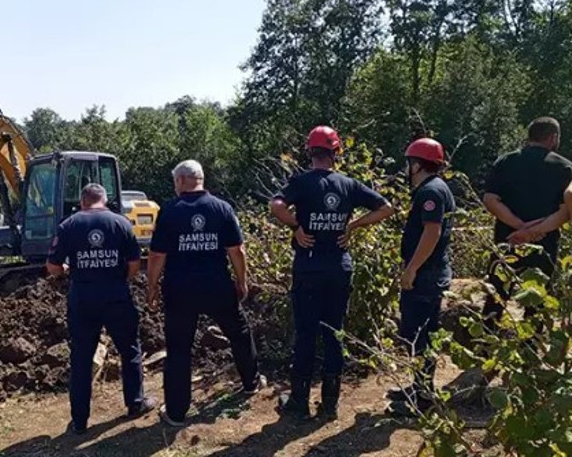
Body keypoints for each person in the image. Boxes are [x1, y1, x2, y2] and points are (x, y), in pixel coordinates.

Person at [269, 126, 394, 421]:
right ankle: (330, 404)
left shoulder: (301, 182)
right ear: (336, 152)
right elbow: (387, 208)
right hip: (339, 267)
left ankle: (299, 402)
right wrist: (353, 226)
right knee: (334, 333)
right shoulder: (349, 184)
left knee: (305, 333)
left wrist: (296, 227)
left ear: (310, 152)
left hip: (308, 267)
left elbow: (276, 205)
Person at [147, 160, 264, 427]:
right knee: (239, 332)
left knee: (179, 348)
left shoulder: (169, 211)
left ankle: (176, 413)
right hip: (217, 286)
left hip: (180, 289)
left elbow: (156, 255)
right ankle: (251, 382)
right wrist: (241, 280)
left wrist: (152, 286)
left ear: (180, 181)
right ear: (201, 179)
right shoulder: (221, 208)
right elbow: (237, 251)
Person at [47, 183, 156, 435]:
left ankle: (79, 421)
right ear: (104, 201)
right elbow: (134, 264)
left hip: (83, 300)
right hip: (116, 297)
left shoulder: (68, 225)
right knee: (129, 349)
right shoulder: (121, 223)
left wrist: (66, 269)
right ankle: (135, 403)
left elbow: (52, 267)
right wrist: (118, 279)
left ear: (83, 202)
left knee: (81, 358)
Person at [481, 117, 572, 329]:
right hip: (544, 245)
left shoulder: (505, 161)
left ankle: (485, 341)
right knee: (537, 299)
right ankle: (531, 344)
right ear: (553, 138)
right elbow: (565, 212)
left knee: (496, 294)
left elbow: (490, 200)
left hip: (507, 240)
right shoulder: (564, 167)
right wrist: (533, 231)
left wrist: (519, 227)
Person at [386, 138, 456, 417]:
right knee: (418, 333)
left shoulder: (430, 192)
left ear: (416, 165)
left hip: (426, 275)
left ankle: (423, 400)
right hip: (430, 272)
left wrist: (412, 268)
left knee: (421, 335)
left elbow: (432, 232)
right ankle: (419, 387)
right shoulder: (436, 188)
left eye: (409, 163)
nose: (407, 169)